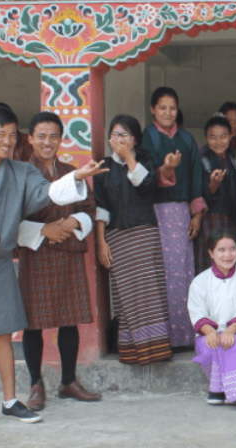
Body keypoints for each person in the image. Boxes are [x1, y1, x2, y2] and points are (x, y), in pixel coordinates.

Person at [0, 105, 103, 430]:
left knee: (3, 333)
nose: (8, 141)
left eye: (13, 136)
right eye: (1, 134)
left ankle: (10, 401)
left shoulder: (21, 172)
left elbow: (47, 192)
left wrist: (77, 177)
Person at [14, 112, 102, 411]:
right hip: (36, 253)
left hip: (68, 252)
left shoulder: (71, 172)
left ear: (61, 139)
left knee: (69, 318)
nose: (47, 142)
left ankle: (68, 381)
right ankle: (35, 384)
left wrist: (74, 223)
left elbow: (89, 208)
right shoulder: (21, 173)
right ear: (30, 139)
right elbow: (11, 216)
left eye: (53, 136)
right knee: (33, 323)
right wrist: (43, 230)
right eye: (41, 136)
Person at [95, 115, 176, 365]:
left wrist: (130, 158)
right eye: (115, 135)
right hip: (117, 238)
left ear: (135, 140)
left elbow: (147, 187)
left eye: (125, 135)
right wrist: (101, 242)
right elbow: (100, 208)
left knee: (150, 292)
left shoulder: (145, 160)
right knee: (126, 295)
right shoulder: (102, 167)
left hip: (144, 235)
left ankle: (157, 349)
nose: (119, 139)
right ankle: (133, 350)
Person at [141, 87, 204, 349]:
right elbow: (143, 177)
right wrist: (165, 169)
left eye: (172, 108)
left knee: (181, 275)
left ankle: (183, 338)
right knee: (157, 276)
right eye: (162, 107)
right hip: (153, 213)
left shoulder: (187, 139)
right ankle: (159, 338)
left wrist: (196, 214)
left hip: (180, 215)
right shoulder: (147, 137)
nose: (168, 113)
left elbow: (196, 177)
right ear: (152, 109)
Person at [189, 227, 236, 406]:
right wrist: (210, 332)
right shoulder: (199, 281)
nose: (228, 255)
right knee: (212, 345)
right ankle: (221, 389)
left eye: (232, 249)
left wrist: (230, 331)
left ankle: (232, 392)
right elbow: (197, 313)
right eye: (221, 250)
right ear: (211, 253)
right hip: (209, 335)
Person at [195, 116, 236, 273]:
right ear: (206, 138)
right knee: (210, 269)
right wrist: (214, 184)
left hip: (231, 223)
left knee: (229, 269)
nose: (218, 142)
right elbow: (200, 195)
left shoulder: (234, 163)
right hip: (210, 222)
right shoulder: (202, 161)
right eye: (213, 137)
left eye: (223, 136)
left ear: (231, 136)